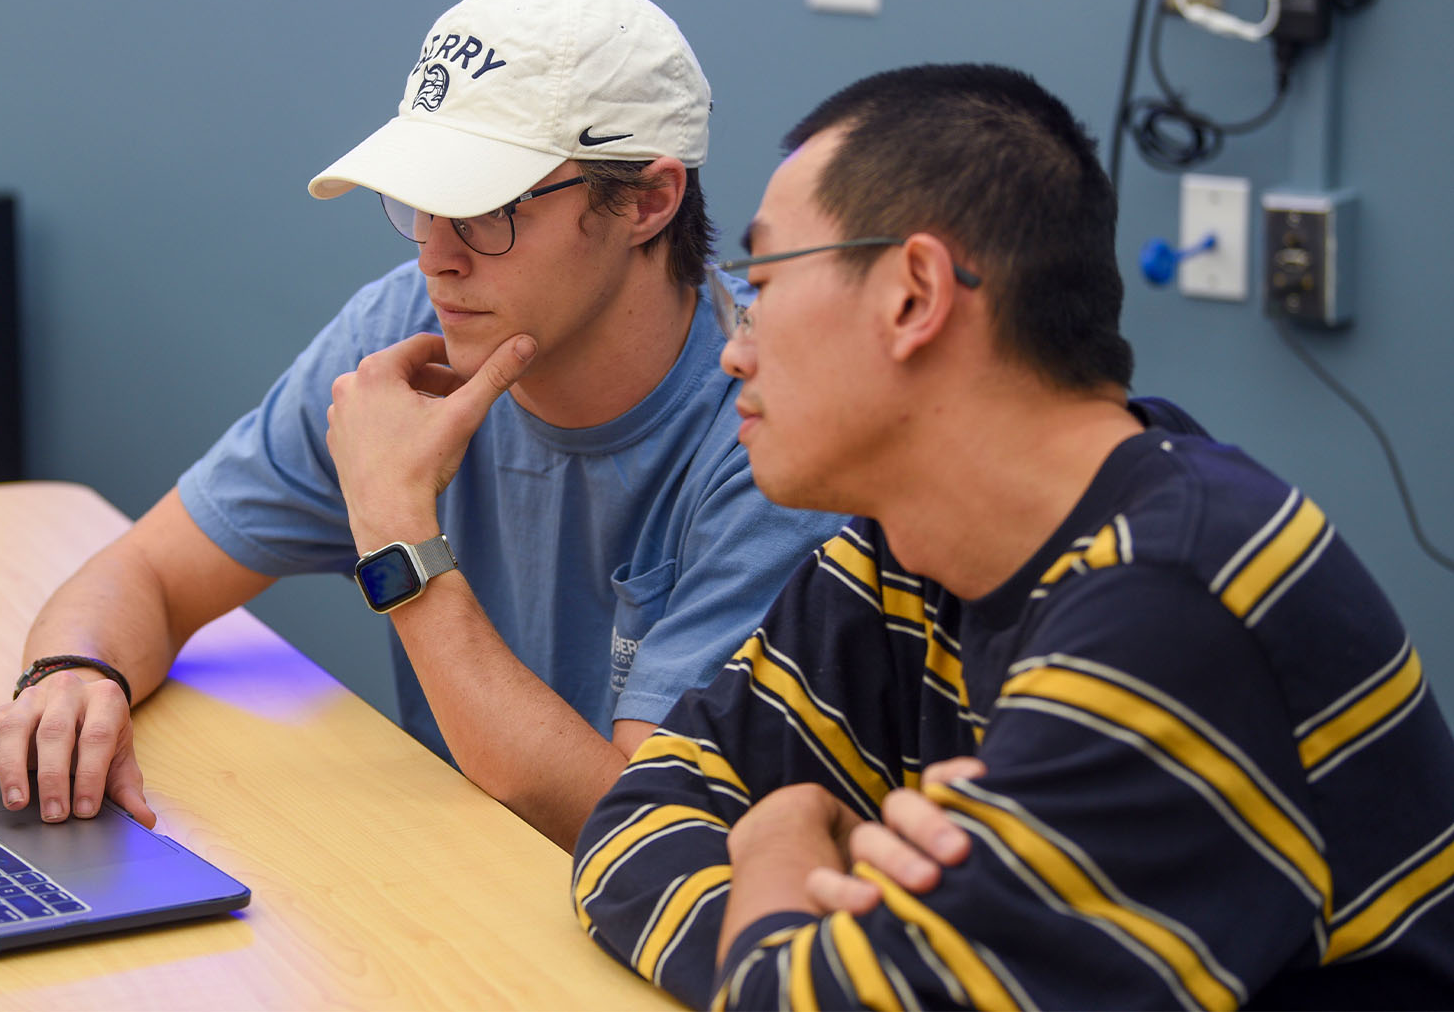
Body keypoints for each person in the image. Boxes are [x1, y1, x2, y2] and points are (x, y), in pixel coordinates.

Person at [572, 63, 1454, 1009]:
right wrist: (828, 939)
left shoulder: (1175, 603)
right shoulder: (905, 552)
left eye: (761, 283)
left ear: (914, 293)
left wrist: (778, 836)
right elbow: (637, 816)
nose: (733, 345)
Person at [0, 0, 842, 851]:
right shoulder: (409, 329)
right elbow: (148, 572)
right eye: (422, 202)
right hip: (454, 880)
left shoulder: (775, 421)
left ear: (647, 199)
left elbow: (637, 827)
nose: (436, 257)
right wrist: (73, 675)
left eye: (488, 208)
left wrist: (396, 529)